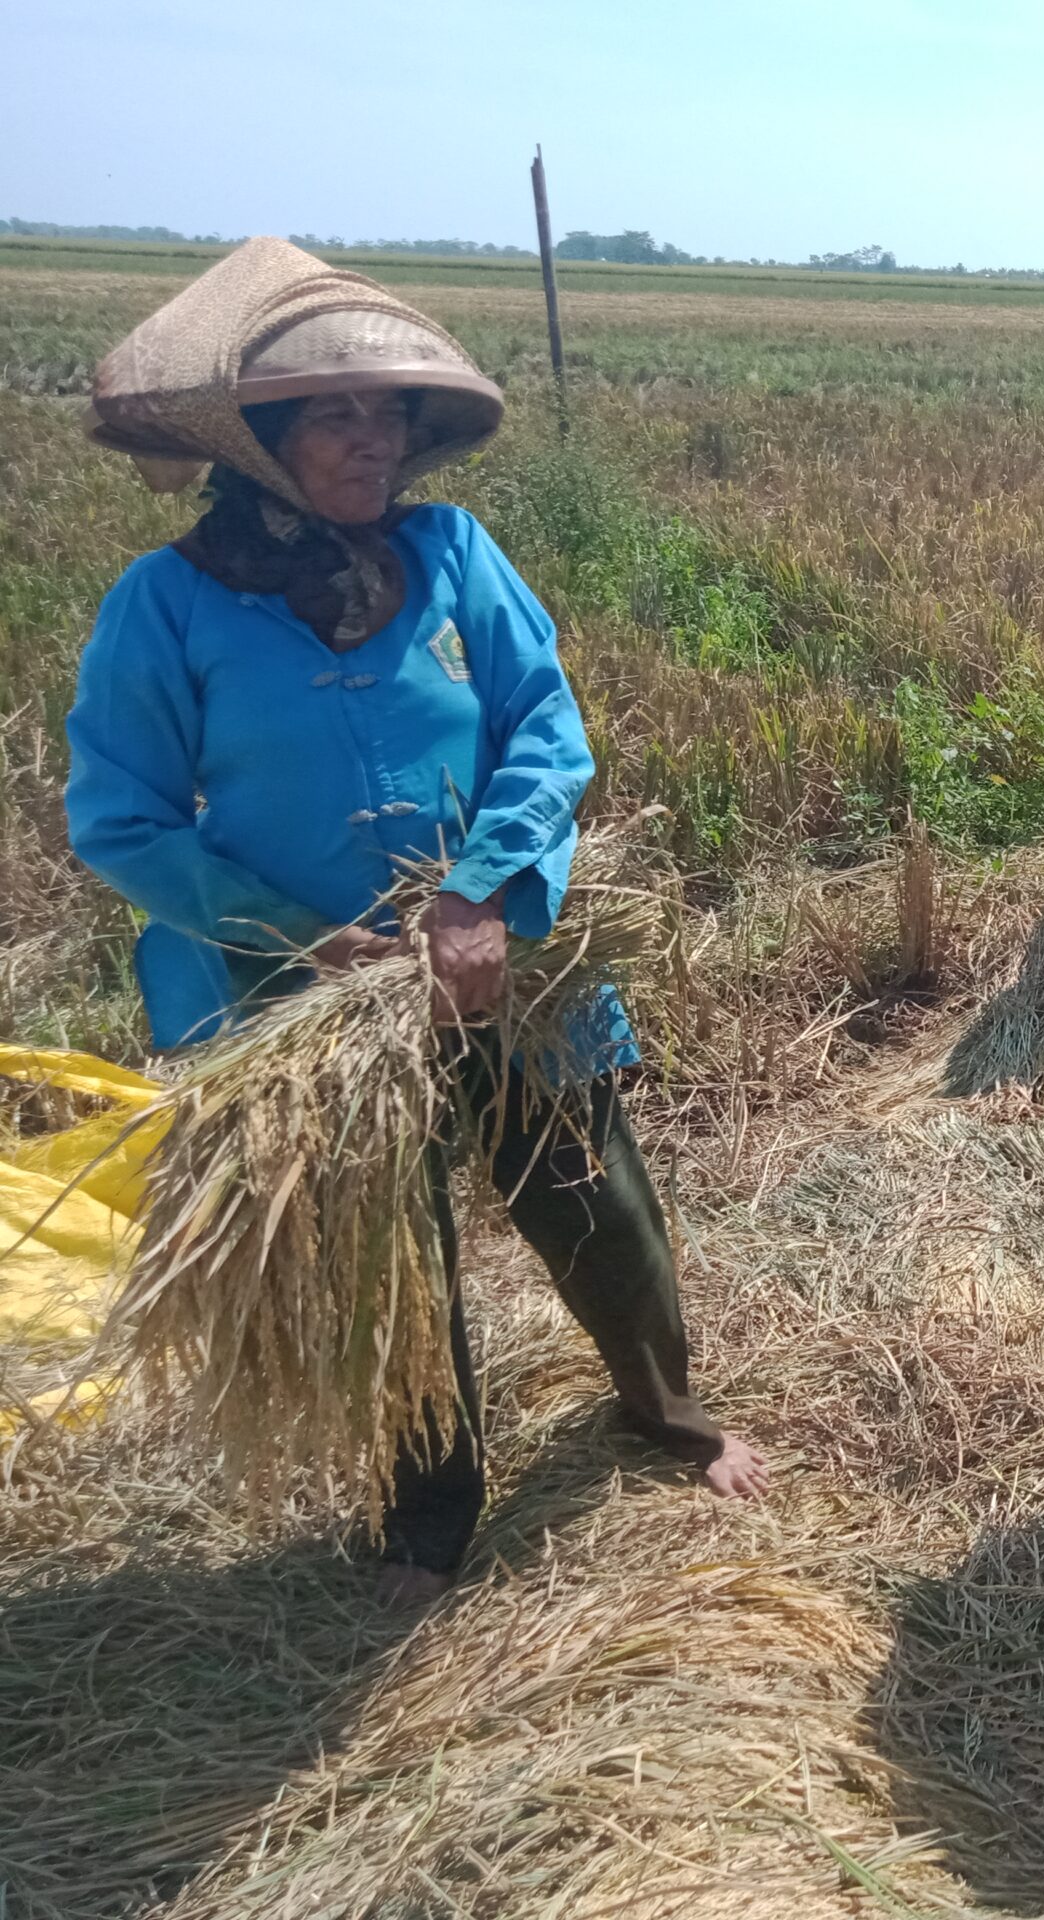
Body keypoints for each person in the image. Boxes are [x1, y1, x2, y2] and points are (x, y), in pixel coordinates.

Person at [66, 238, 769, 1603]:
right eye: (336, 412)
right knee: (386, 1250)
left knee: (592, 1192)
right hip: (306, 1000)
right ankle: (426, 1512)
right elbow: (122, 822)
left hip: (491, 955)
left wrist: (483, 891)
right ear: (262, 441)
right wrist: (297, 936)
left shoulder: (450, 556)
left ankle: (665, 1411)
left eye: (387, 412)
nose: (372, 438)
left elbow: (546, 730)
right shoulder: (167, 605)